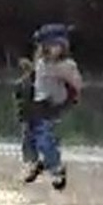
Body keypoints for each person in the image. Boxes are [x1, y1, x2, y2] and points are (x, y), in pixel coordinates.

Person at [15, 23, 82, 190]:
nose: (51, 50)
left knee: (44, 138)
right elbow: (38, 77)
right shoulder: (42, 63)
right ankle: (32, 163)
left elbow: (76, 84)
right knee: (28, 136)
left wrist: (71, 98)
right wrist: (28, 70)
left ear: (63, 47)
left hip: (51, 105)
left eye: (55, 46)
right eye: (47, 46)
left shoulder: (66, 65)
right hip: (36, 103)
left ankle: (56, 169)